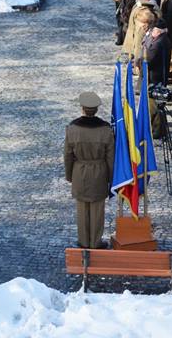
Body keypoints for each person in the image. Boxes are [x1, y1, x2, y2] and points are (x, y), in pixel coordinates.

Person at [63, 91, 114, 249]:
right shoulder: (106, 130)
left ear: (82, 108)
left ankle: (83, 241)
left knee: (82, 208)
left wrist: (70, 175)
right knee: (97, 209)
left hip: (79, 171)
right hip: (99, 171)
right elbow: (111, 157)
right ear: (96, 110)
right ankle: (96, 241)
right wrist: (111, 178)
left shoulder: (72, 129)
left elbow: (67, 155)